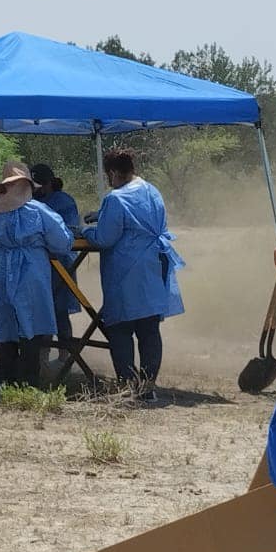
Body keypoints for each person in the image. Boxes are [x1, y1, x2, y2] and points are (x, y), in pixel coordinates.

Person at [81, 147, 184, 397]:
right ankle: (148, 386)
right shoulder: (152, 190)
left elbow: (105, 238)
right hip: (153, 263)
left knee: (120, 327)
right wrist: (101, 215)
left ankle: (127, 384)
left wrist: (85, 230)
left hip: (126, 268)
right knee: (149, 326)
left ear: (114, 172)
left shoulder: (115, 198)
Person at [0, 161, 73, 388]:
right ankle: (29, 379)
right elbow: (63, 242)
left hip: (2, 268)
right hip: (31, 269)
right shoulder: (39, 211)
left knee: (7, 322)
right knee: (31, 322)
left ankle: (4, 377)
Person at [31, 162, 82, 368]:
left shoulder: (64, 201)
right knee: (40, 310)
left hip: (61, 262)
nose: (38, 189)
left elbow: (70, 230)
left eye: (41, 184)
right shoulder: (32, 200)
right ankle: (41, 358)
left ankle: (64, 357)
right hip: (39, 264)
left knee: (60, 311)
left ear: (50, 182)